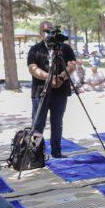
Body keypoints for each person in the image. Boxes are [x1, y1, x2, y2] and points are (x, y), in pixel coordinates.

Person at [27, 20, 77, 159]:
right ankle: (35, 154)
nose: (48, 33)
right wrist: (49, 78)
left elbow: (72, 65)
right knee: (38, 123)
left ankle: (56, 151)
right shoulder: (35, 49)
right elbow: (32, 68)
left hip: (60, 91)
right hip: (40, 91)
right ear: (40, 33)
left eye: (51, 30)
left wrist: (60, 78)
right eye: (45, 30)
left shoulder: (64, 48)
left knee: (57, 122)